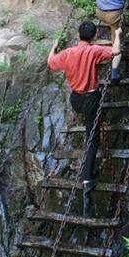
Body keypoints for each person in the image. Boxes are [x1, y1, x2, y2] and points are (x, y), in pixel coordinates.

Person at [47, 20, 122, 194]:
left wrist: (54, 47)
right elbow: (116, 51)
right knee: (92, 138)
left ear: (77, 35)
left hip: (76, 100)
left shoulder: (68, 53)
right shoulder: (94, 50)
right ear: (95, 36)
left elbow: (50, 62)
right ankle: (87, 178)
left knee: (87, 112)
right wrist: (117, 35)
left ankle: (84, 118)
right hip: (91, 100)